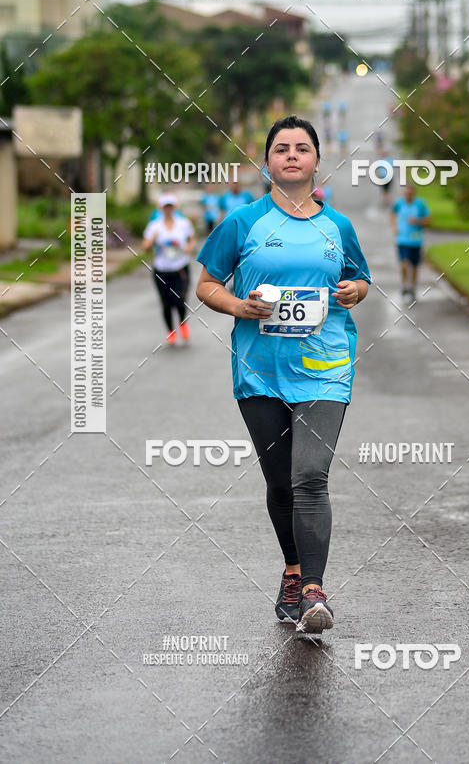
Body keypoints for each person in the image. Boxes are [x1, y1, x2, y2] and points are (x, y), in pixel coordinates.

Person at [196, 114, 371, 634]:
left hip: (326, 367)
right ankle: (292, 570)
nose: (291, 155)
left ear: (317, 160)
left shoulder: (337, 226)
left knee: (310, 476)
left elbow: (360, 280)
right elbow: (206, 284)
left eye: (301, 148)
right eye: (281, 149)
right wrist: (237, 306)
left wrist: (352, 293)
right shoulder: (242, 222)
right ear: (268, 161)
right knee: (280, 482)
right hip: (260, 371)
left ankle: (314, 590)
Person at [142, 193, 195, 345]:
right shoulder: (154, 226)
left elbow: (192, 238)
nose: (168, 210)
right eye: (165, 207)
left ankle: (183, 324)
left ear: (174, 208)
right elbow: (145, 246)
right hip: (161, 269)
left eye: (170, 206)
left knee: (180, 299)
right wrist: (152, 239)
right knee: (166, 302)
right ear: (161, 208)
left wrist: (189, 248)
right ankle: (170, 330)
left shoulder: (183, 223)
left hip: (180, 267)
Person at [389, 183, 431, 303]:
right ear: (404, 193)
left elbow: (428, 219)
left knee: (414, 266)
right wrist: (394, 227)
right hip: (402, 240)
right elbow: (392, 214)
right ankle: (404, 285)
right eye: (406, 193)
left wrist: (418, 221)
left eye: (410, 193)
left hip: (416, 240)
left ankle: (413, 287)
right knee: (403, 263)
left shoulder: (420, 204)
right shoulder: (399, 203)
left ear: (414, 193)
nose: (408, 195)